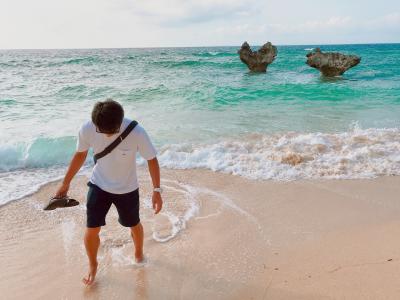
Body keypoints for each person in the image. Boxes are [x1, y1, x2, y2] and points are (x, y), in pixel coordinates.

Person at [54, 99, 163, 286]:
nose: (106, 135)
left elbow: (151, 159)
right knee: (91, 229)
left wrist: (157, 190)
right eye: (101, 131)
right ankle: (93, 265)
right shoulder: (87, 128)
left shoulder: (137, 132)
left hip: (127, 188)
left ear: (120, 123)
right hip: (99, 185)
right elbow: (80, 154)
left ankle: (138, 254)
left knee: (134, 224)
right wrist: (65, 183)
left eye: (111, 132)